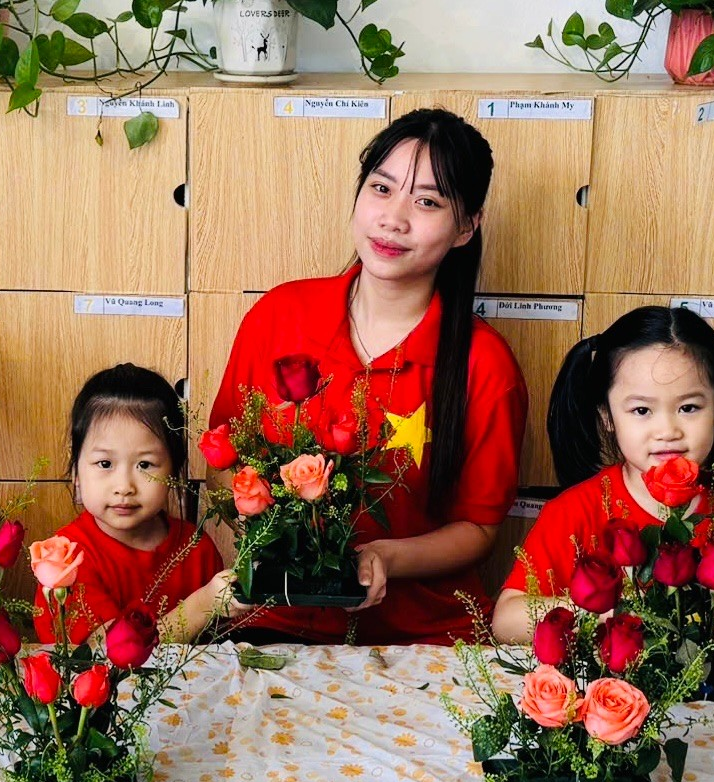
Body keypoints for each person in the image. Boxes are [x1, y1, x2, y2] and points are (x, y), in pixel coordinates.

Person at [207, 108, 526, 644]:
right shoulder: (280, 315)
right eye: (381, 188)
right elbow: (223, 454)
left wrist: (383, 557)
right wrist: (267, 519)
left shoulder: (485, 364)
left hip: (421, 637)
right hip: (278, 618)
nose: (393, 218)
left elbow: (479, 529)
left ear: (467, 226)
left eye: (427, 201)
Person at [492, 305, 714, 643]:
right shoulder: (574, 511)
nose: (667, 430)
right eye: (642, 410)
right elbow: (506, 619)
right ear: (606, 415)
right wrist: (609, 613)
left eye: (689, 408)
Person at [33, 364, 234, 644]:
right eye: (105, 464)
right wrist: (204, 603)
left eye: (145, 464)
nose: (124, 487)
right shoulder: (65, 560)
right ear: (77, 471)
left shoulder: (196, 547)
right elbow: (110, 652)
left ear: (174, 470)